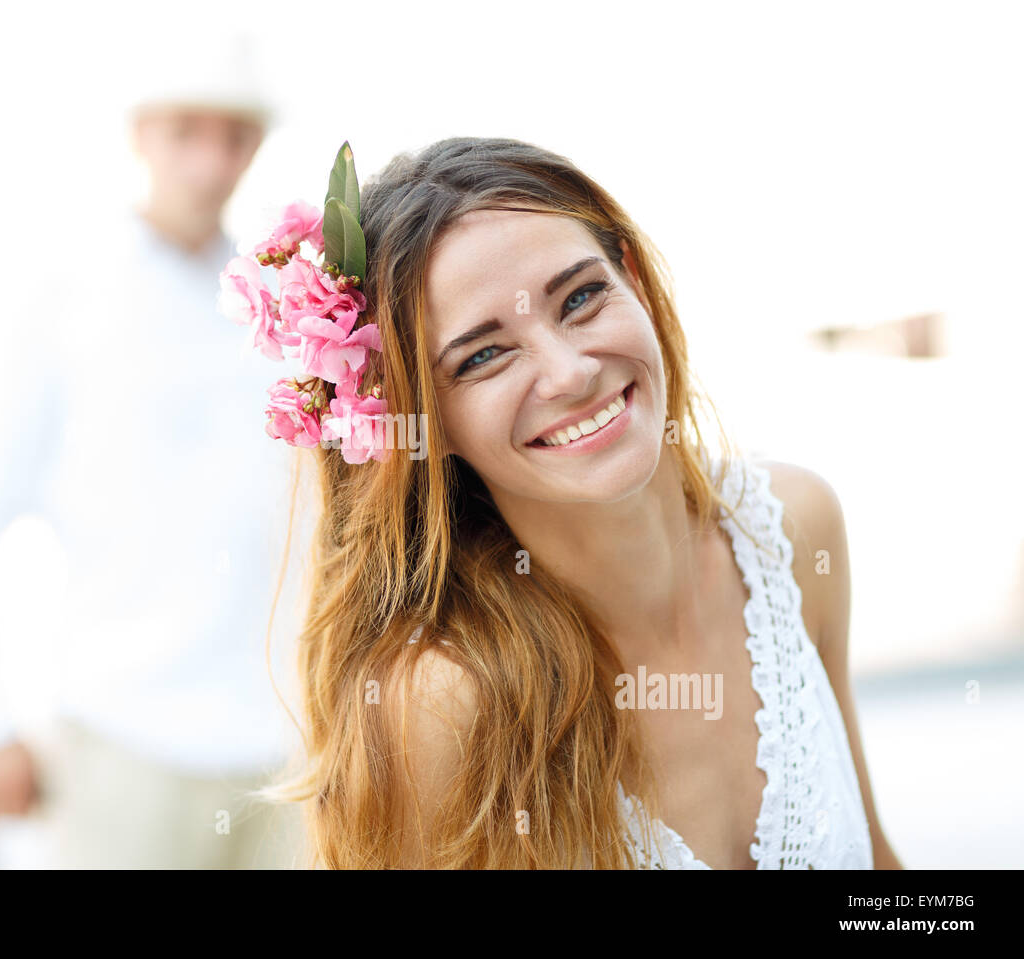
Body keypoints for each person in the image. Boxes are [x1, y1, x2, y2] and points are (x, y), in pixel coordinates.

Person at [240, 136, 903, 869]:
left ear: (636, 284)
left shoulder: (793, 525)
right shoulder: (444, 701)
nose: (569, 372)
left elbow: (873, 859)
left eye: (581, 298)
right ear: (424, 425)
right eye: (483, 356)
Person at [0, 41, 304, 868]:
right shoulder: (57, 294)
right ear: (140, 136)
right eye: (185, 131)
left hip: (282, 748)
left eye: (234, 135)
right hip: (127, 735)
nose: (210, 159)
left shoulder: (277, 310)